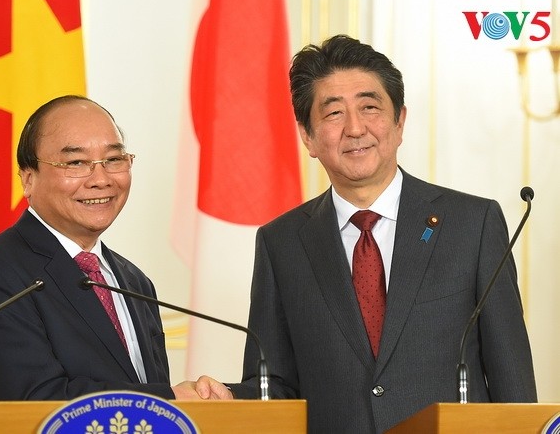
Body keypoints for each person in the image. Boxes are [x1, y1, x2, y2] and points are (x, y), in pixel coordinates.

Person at [227, 35, 537, 432]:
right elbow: (274, 386)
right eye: (334, 113)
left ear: (399, 122)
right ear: (308, 136)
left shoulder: (472, 225)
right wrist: (228, 396)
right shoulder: (280, 243)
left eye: (370, 107)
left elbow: (512, 379)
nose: (355, 129)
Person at [0, 95, 228, 401]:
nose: (101, 179)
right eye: (76, 162)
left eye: (113, 160)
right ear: (28, 180)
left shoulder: (133, 281)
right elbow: (32, 400)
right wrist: (169, 398)